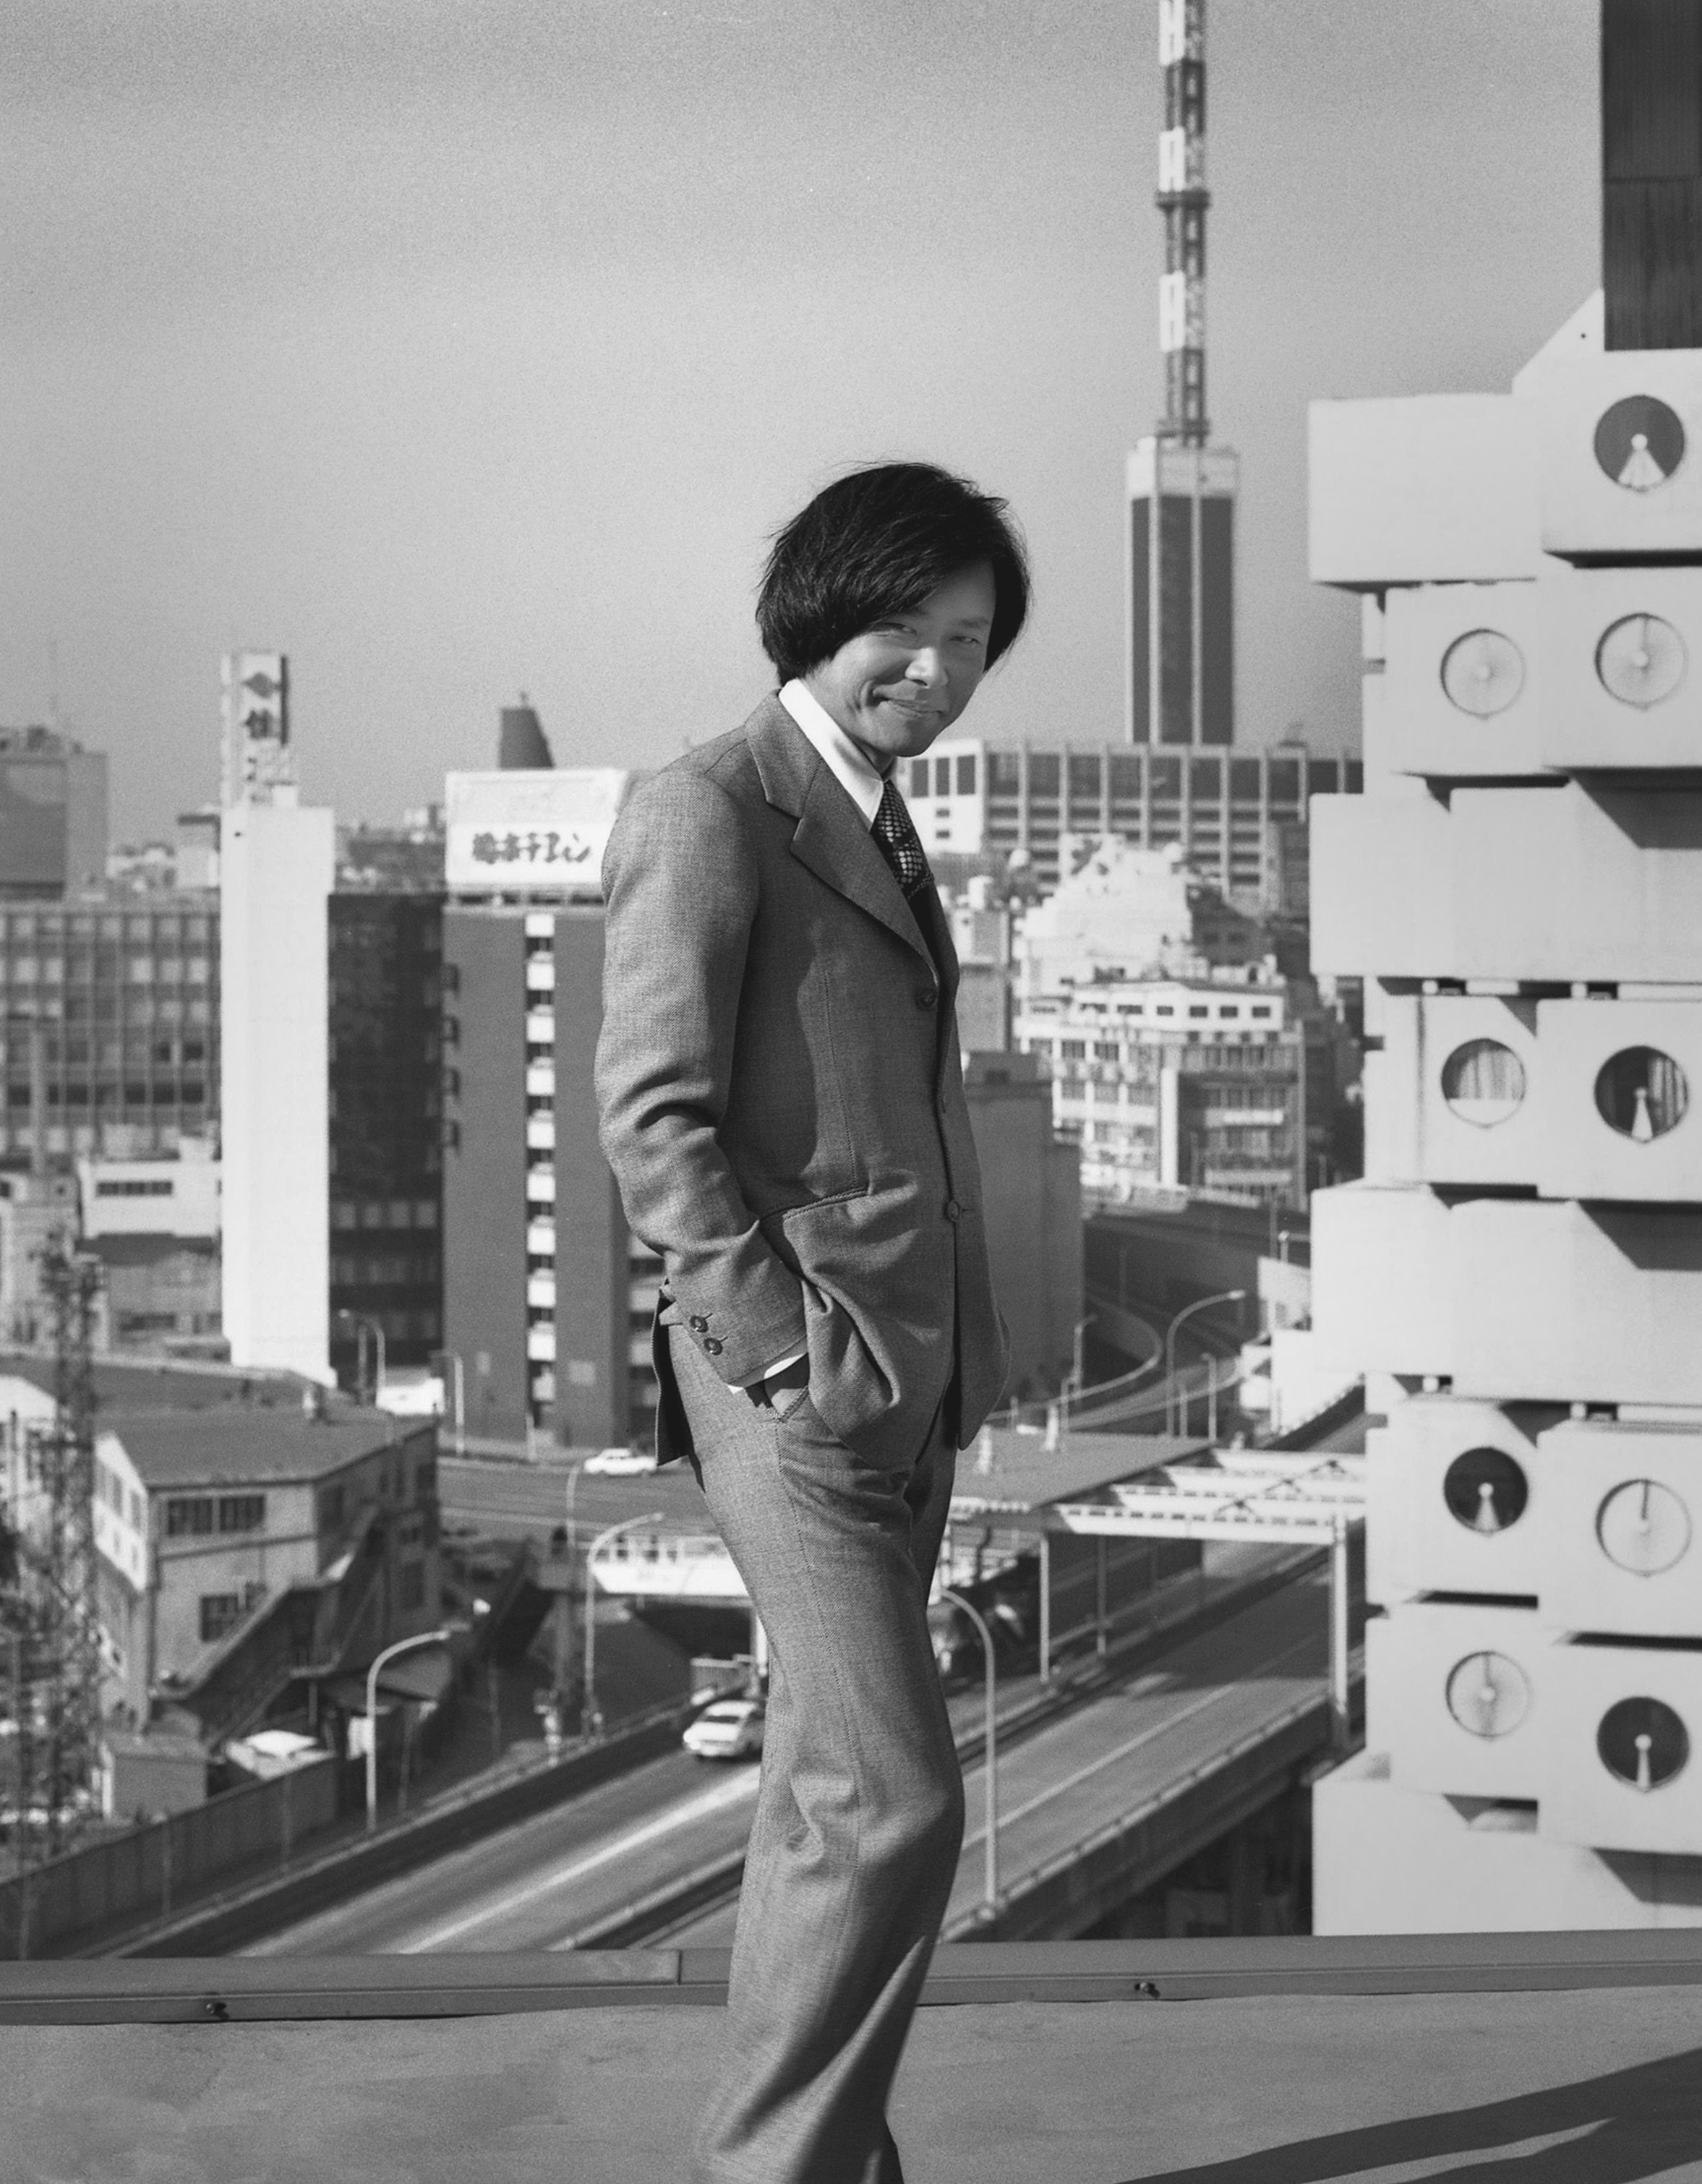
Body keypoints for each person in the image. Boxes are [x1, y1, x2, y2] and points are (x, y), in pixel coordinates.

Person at [596, 460, 1028, 2183]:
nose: (933, 668)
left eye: (970, 641)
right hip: (796, 1382)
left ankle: (820, 2160)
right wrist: (786, 1349)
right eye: (903, 630)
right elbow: (654, 1119)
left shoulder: (877, 809)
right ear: (818, 611)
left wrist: (952, 1361)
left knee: (817, 1796)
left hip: (903, 1381)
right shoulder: (711, 805)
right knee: (893, 1792)